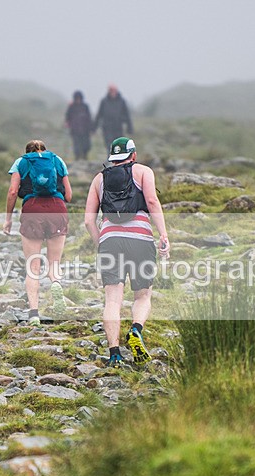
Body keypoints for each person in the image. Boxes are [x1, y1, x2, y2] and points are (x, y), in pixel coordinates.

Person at [85, 137, 169, 368]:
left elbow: (88, 221)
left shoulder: (98, 179)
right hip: (140, 240)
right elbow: (151, 201)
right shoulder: (143, 171)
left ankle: (114, 354)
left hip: (110, 240)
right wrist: (163, 234)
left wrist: (100, 242)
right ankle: (135, 329)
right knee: (142, 295)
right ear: (133, 155)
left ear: (112, 157)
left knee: (112, 299)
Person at [4, 140, 72, 326]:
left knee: (32, 266)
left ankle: (34, 313)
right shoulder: (58, 160)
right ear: (45, 150)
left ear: (27, 151)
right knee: (54, 262)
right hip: (57, 209)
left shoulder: (21, 162)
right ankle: (56, 284)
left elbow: (12, 192)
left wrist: (8, 218)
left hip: (32, 209)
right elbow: (69, 196)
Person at [92, 84, 133, 151]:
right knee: (109, 145)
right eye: (111, 90)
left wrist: (130, 128)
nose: (112, 92)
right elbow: (99, 115)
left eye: (114, 90)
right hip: (107, 128)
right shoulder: (104, 101)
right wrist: (94, 128)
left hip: (118, 127)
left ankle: (118, 159)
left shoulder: (122, 101)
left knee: (119, 144)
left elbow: (127, 115)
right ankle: (111, 159)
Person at [64, 90, 93, 160]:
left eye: (79, 98)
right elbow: (67, 116)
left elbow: (89, 118)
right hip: (75, 130)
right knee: (76, 145)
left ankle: (84, 155)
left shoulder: (85, 106)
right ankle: (77, 157)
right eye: (76, 98)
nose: (78, 100)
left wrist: (91, 128)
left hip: (85, 129)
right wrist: (67, 122)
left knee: (86, 145)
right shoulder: (71, 107)